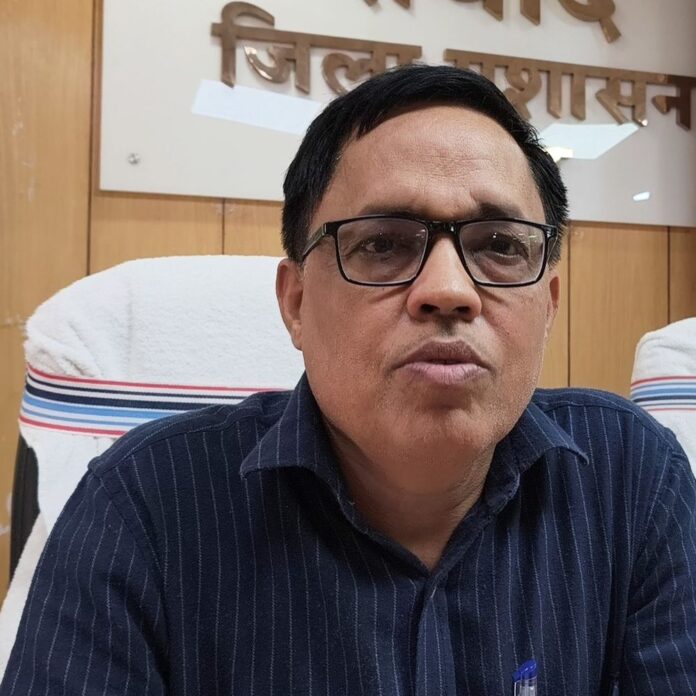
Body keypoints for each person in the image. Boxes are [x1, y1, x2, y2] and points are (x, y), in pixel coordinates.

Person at [2, 64, 695, 696]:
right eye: (383, 243)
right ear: (296, 303)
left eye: (501, 246)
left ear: (549, 305)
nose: (449, 290)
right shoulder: (142, 507)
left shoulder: (633, 481)